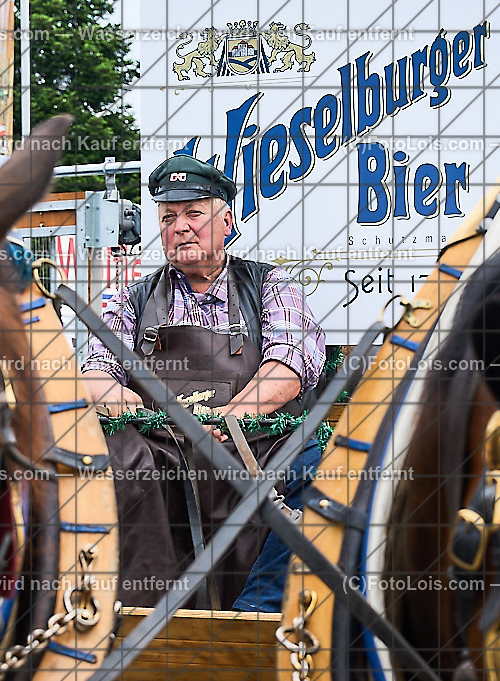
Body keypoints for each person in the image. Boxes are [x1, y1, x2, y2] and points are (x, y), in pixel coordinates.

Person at [81, 155, 326, 610]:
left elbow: (291, 364)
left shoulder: (270, 284)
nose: (181, 227)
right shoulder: (131, 299)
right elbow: (96, 370)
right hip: (165, 453)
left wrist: (229, 418)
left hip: (256, 446)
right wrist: (124, 401)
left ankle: (256, 613)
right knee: (104, 461)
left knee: (324, 475)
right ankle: (137, 617)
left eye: (194, 213)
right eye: (168, 218)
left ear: (226, 222)